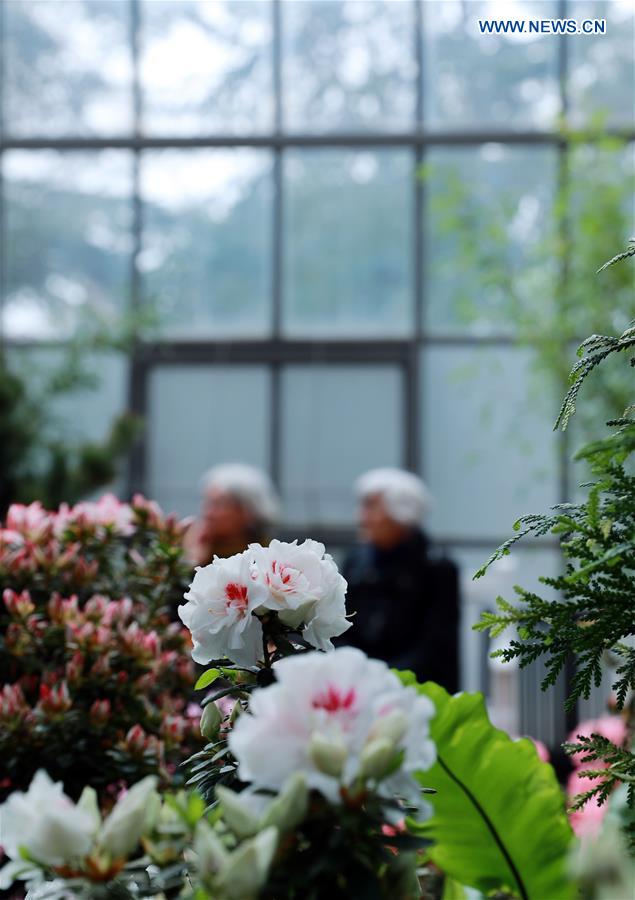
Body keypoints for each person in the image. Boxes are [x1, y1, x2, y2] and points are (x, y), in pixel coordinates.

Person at [341, 468, 460, 692]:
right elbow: (339, 627)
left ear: (401, 513)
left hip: (418, 689)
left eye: (371, 507)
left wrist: (385, 679)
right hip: (358, 684)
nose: (361, 518)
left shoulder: (436, 567)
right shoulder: (355, 562)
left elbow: (435, 646)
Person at [183, 463, 280, 566]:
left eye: (219, 504)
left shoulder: (267, 557)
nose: (208, 513)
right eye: (207, 502)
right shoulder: (193, 544)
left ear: (246, 511)